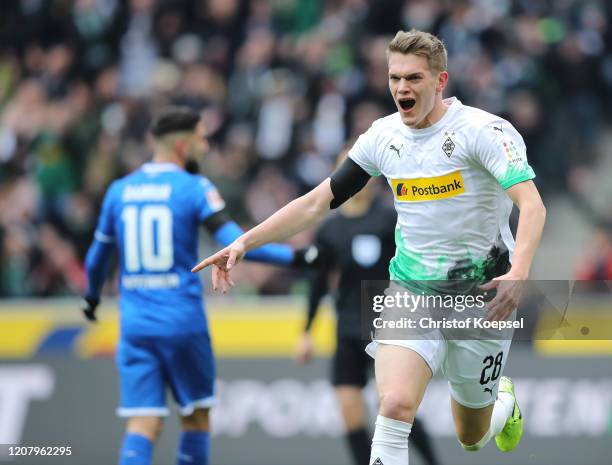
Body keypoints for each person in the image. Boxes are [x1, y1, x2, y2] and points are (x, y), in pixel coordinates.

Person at [193, 29, 546, 465]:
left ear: (440, 81)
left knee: (471, 437)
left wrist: (520, 273)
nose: (402, 88)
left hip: (481, 297)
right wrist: (243, 241)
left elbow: (531, 205)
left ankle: (501, 404)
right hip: (411, 291)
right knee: (395, 405)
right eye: (395, 77)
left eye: (414, 78)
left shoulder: (484, 132)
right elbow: (316, 203)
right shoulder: (382, 137)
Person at [80, 106, 314, 465]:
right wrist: (300, 258)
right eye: (202, 139)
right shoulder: (194, 188)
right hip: (182, 322)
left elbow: (97, 259)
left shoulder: (119, 191)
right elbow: (235, 242)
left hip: (136, 326)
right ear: (182, 144)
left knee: (143, 423)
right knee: (196, 418)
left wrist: (92, 300)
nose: (205, 147)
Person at [295, 153, 441, 465]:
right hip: (347, 326)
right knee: (350, 412)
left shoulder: (390, 219)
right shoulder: (330, 229)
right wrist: (306, 331)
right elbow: (319, 283)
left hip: (389, 325)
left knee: (395, 406)